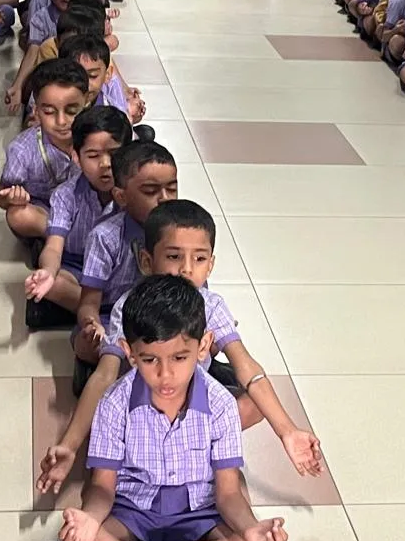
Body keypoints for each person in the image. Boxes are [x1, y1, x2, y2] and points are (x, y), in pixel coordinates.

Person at [31, 274, 300, 541]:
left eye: (179, 357)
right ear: (129, 352)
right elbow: (101, 488)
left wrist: (251, 528)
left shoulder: (221, 405)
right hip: (133, 509)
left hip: (199, 509)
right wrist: (91, 520)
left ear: (203, 347)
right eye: (150, 360)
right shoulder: (113, 403)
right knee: (85, 538)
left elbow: (228, 493)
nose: (166, 374)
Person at [37, 198, 325, 498]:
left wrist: (287, 431)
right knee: (106, 432)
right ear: (147, 261)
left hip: (191, 405)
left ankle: (185, 446)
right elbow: (105, 375)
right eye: (174, 256)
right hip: (145, 410)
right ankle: (165, 452)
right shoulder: (130, 306)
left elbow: (247, 367)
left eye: (199, 259)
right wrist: (69, 445)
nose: (187, 269)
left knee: (255, 403)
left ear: (211, 264)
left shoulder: (212, 305)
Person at [72, 140, 179, 389]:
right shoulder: (105, 237)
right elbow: (88, 303)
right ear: (121, 196)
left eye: (172, 189)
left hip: (163, 322)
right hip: (111, 321)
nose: (164, 199)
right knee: (87, 345)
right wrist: (91, 324)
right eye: (151, 191)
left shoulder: (181, 232)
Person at [25, 105, 133, 329]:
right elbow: (54, 247)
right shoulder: (66, 195)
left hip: (121, 273)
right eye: (93, 156)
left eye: (114, 154)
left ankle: (83, 311)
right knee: (54, 283)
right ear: (76, 157)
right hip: (78, 268)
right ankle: (103, 313)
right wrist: (48, 272)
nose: (105, 164)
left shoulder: (135, 193)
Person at [0, 59, 84, 243]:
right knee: (17, 215)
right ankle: (71, 242)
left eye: (71, 111)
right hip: (45, 211)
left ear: (86, 104)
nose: (61, 121)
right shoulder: (22, 149)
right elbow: (1, 196)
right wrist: (12, 198)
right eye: (50, 112)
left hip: (85, 210)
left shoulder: (95, 137)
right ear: (36, 110)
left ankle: (62, 243)